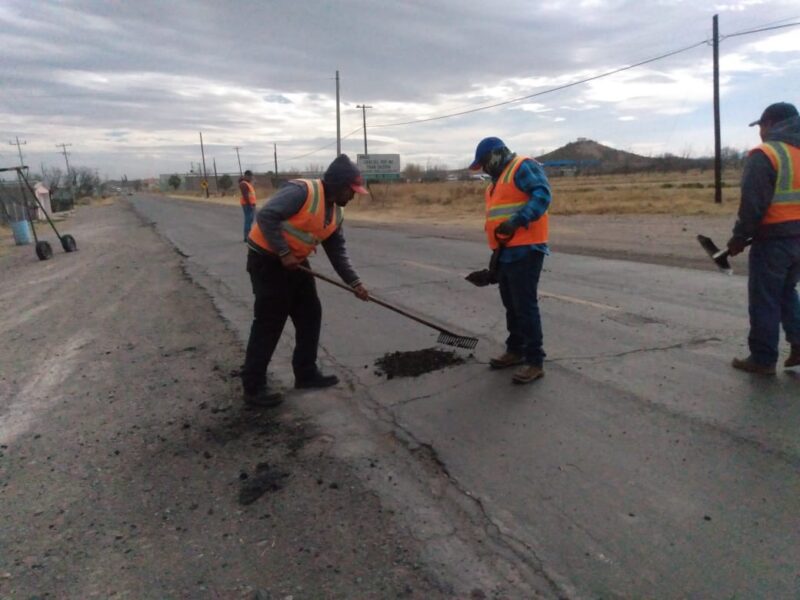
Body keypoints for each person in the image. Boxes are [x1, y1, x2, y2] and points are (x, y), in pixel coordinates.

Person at [241, 154, 370, 406]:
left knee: (310, 314)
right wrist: (283, 252)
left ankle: (306, 373)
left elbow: (337, 251)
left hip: (296, 263)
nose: (353, 196)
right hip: (267, 261)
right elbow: (266, 216)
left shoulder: (336, 212)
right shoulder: (302, 191)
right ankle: (253, 388)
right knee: (269, 322)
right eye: (351, 190)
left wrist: (355, 283)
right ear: (338, 184)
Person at [469, 137, 551, 384]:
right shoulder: (496, 182)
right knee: (511, 305)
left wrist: (518, 219)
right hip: (506, 251)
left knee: (524, 305)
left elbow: (542, 195)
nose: (484, 168)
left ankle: (535, 361)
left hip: (526, 249)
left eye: (484, 162)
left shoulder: (522, 166)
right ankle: (515, 350)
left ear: (496, 154)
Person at [727, 102, 800, 374]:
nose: (760, 132)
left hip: (774, 241)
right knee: (785, 292)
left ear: (770, 123)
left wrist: (739, 237)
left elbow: (753, 204)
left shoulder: (766, 153)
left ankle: (763, 358)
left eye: (761, 126)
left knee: (765, 298)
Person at [239, 170, 257, 242]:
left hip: (250, 204)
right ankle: (247, 237)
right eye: (250, 176)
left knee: (250, 220)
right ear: (246, 176)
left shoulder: (247, 183)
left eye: (251, 176)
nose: (251, 178)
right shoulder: (243, 184)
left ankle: (248, 236)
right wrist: (250, 204)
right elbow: (245, 196)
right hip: (247, 205)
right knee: (248, 220)